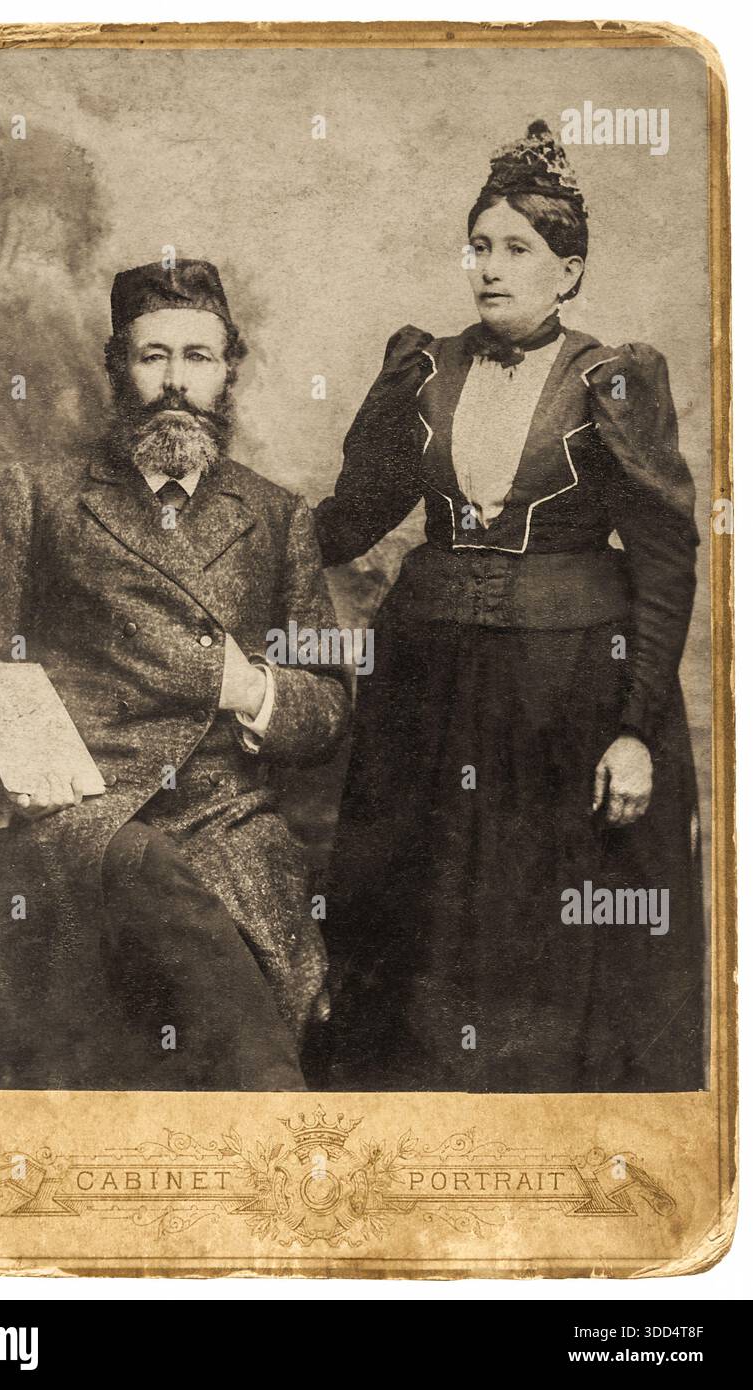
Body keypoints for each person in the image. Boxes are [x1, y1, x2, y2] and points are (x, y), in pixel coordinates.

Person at [313, 122, 707, 1093]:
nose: (489, 270)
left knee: (548, 919)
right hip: (424, 688)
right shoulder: (421, 369)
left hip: (566, 695)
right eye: (478, 247)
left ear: (566, 271)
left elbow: (663, 563)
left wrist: (635, 733)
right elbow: (350, 519)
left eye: (516, 250)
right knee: (419, 906)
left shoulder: (610, 382)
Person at [0, 259, 349, 1091]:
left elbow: (329, 703)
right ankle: (283, 1116)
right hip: (82, 802)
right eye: (153, 357)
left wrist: (255, 690)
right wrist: (13, 773)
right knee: (151, 878)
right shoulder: (41, 495)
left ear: (230, 372)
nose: (174, 383)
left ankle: (268, 1123)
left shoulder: (275, 515)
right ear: (117, 367)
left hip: (225, 811)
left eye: (198, 358)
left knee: (211, 909)